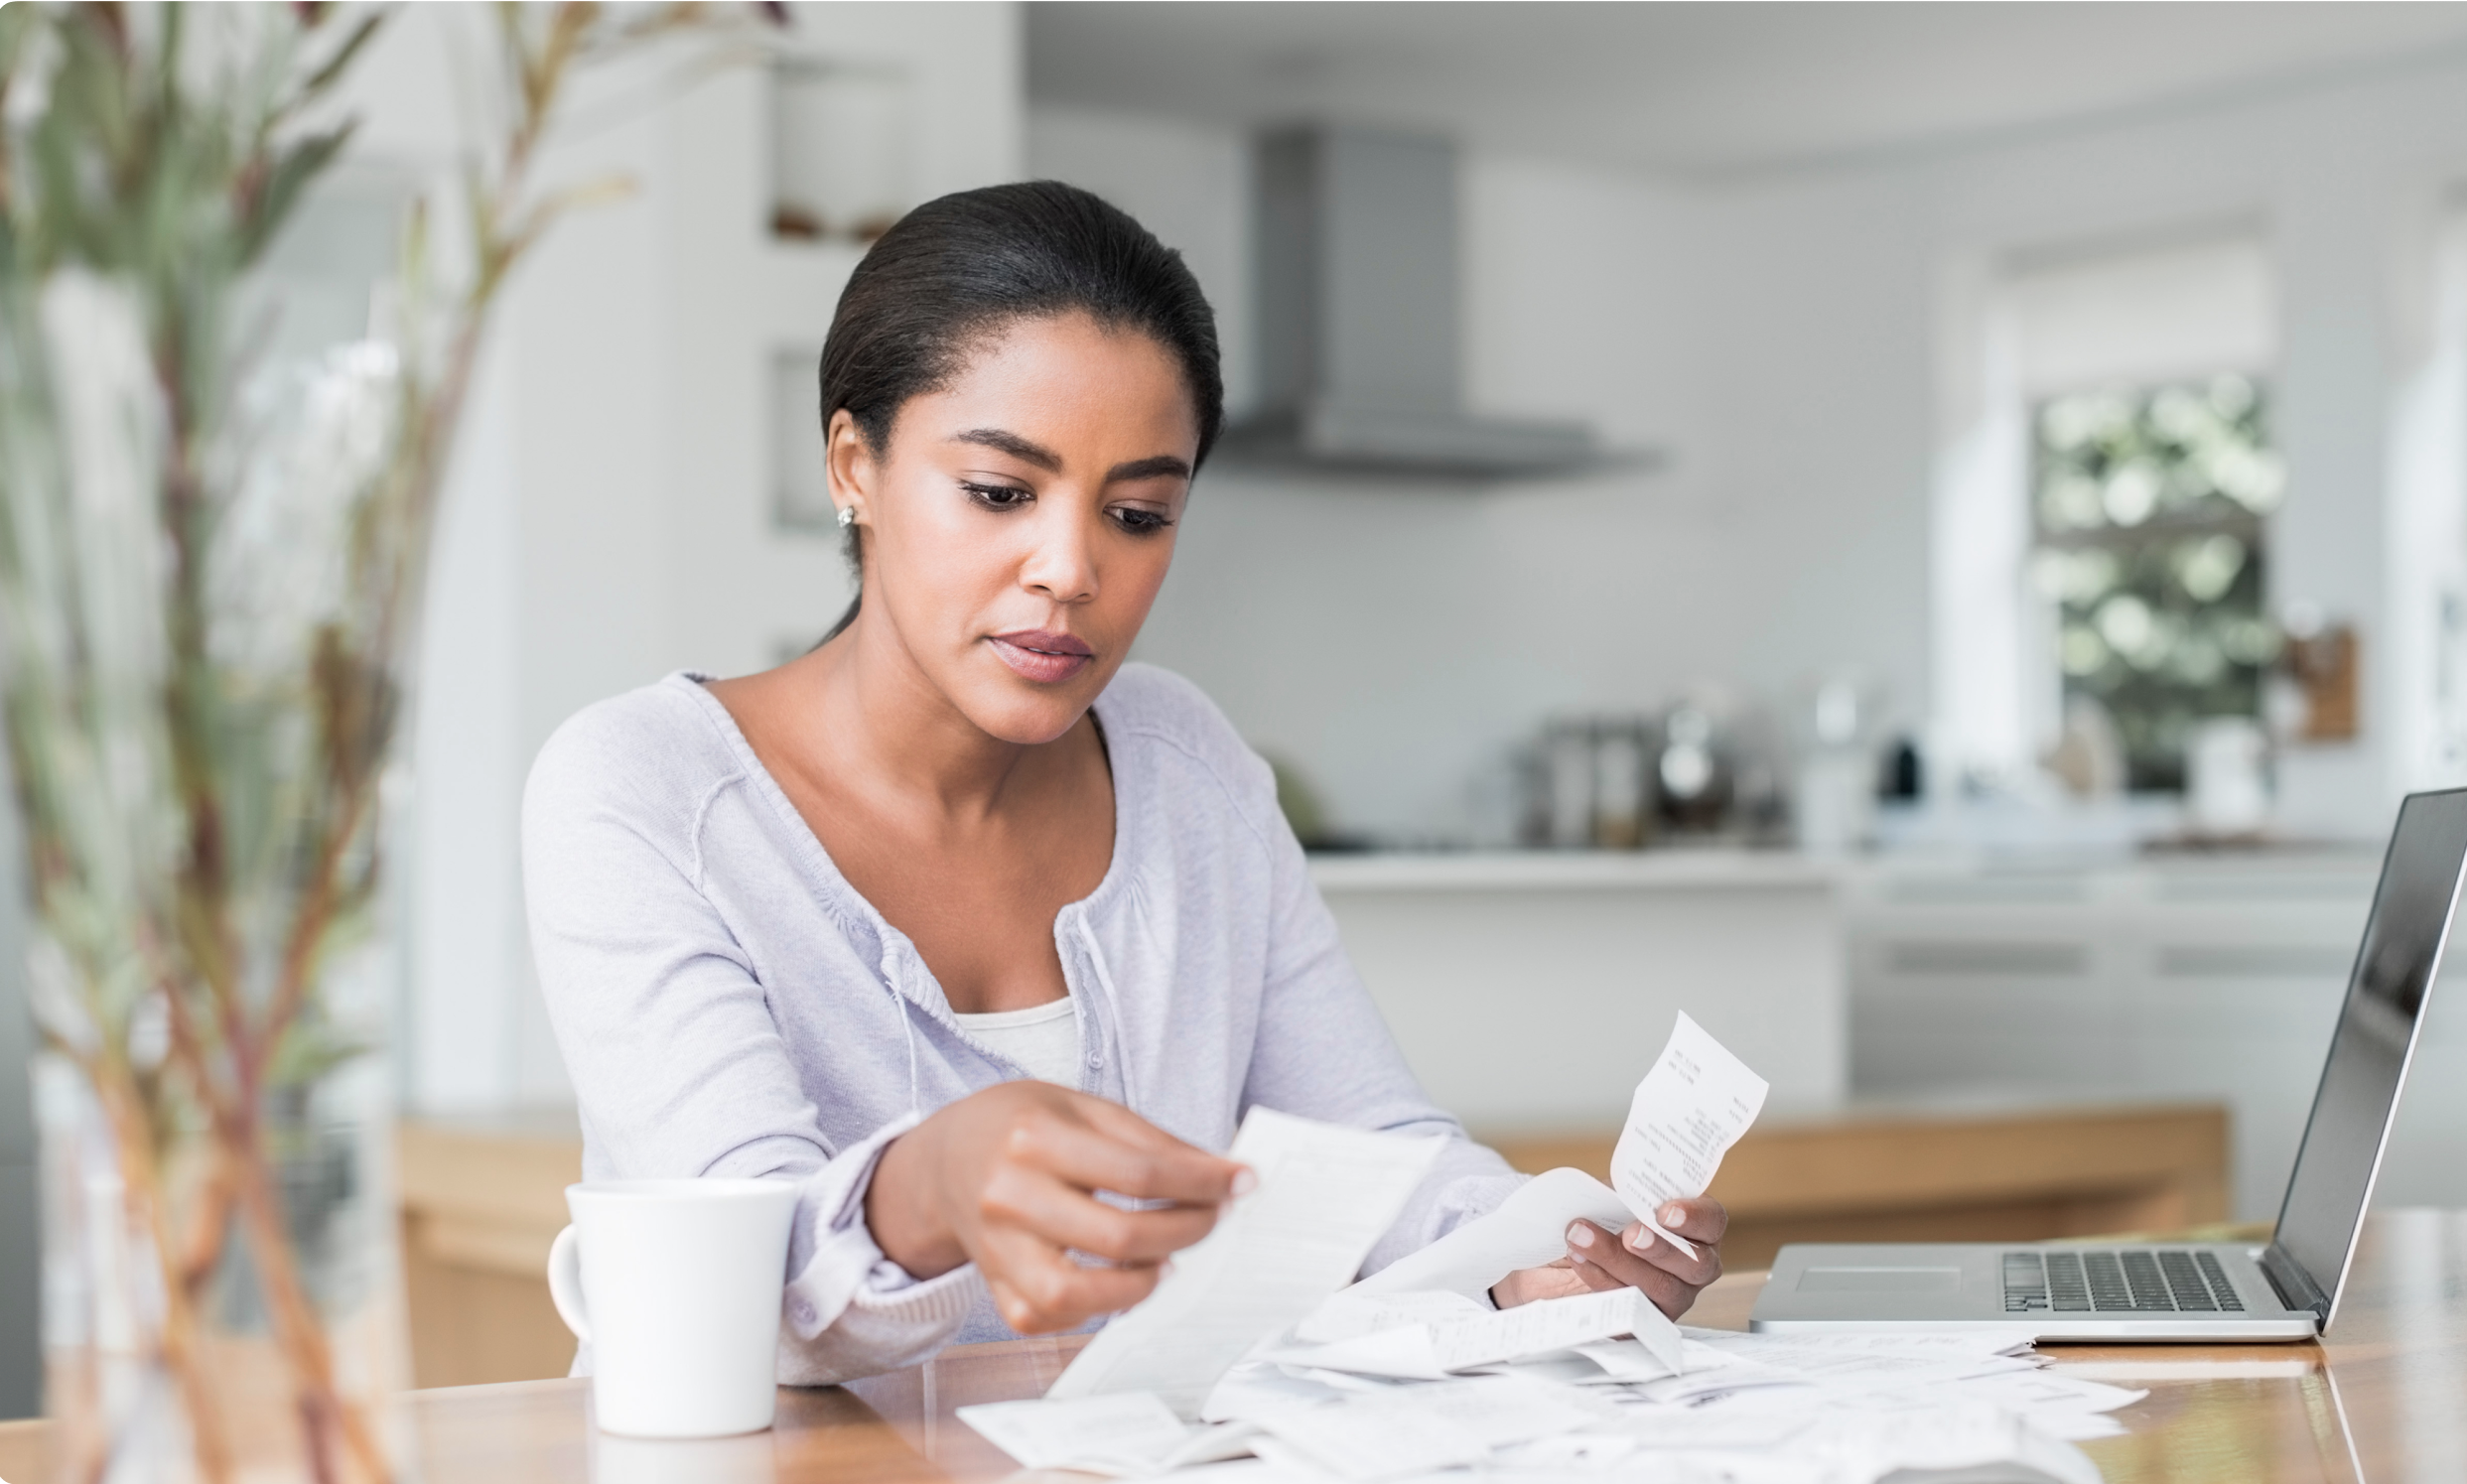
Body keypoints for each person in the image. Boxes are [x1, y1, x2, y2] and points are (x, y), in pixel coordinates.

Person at [522, 181, 1725, 1384]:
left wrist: (1540, 1258)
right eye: (999, 493)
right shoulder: (644, 792)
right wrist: (925, 1185)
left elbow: (1376, 1146)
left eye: (1138, 512)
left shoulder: (1183, 762)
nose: (1070, 569)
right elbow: (735, 1283)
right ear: (854, 465)